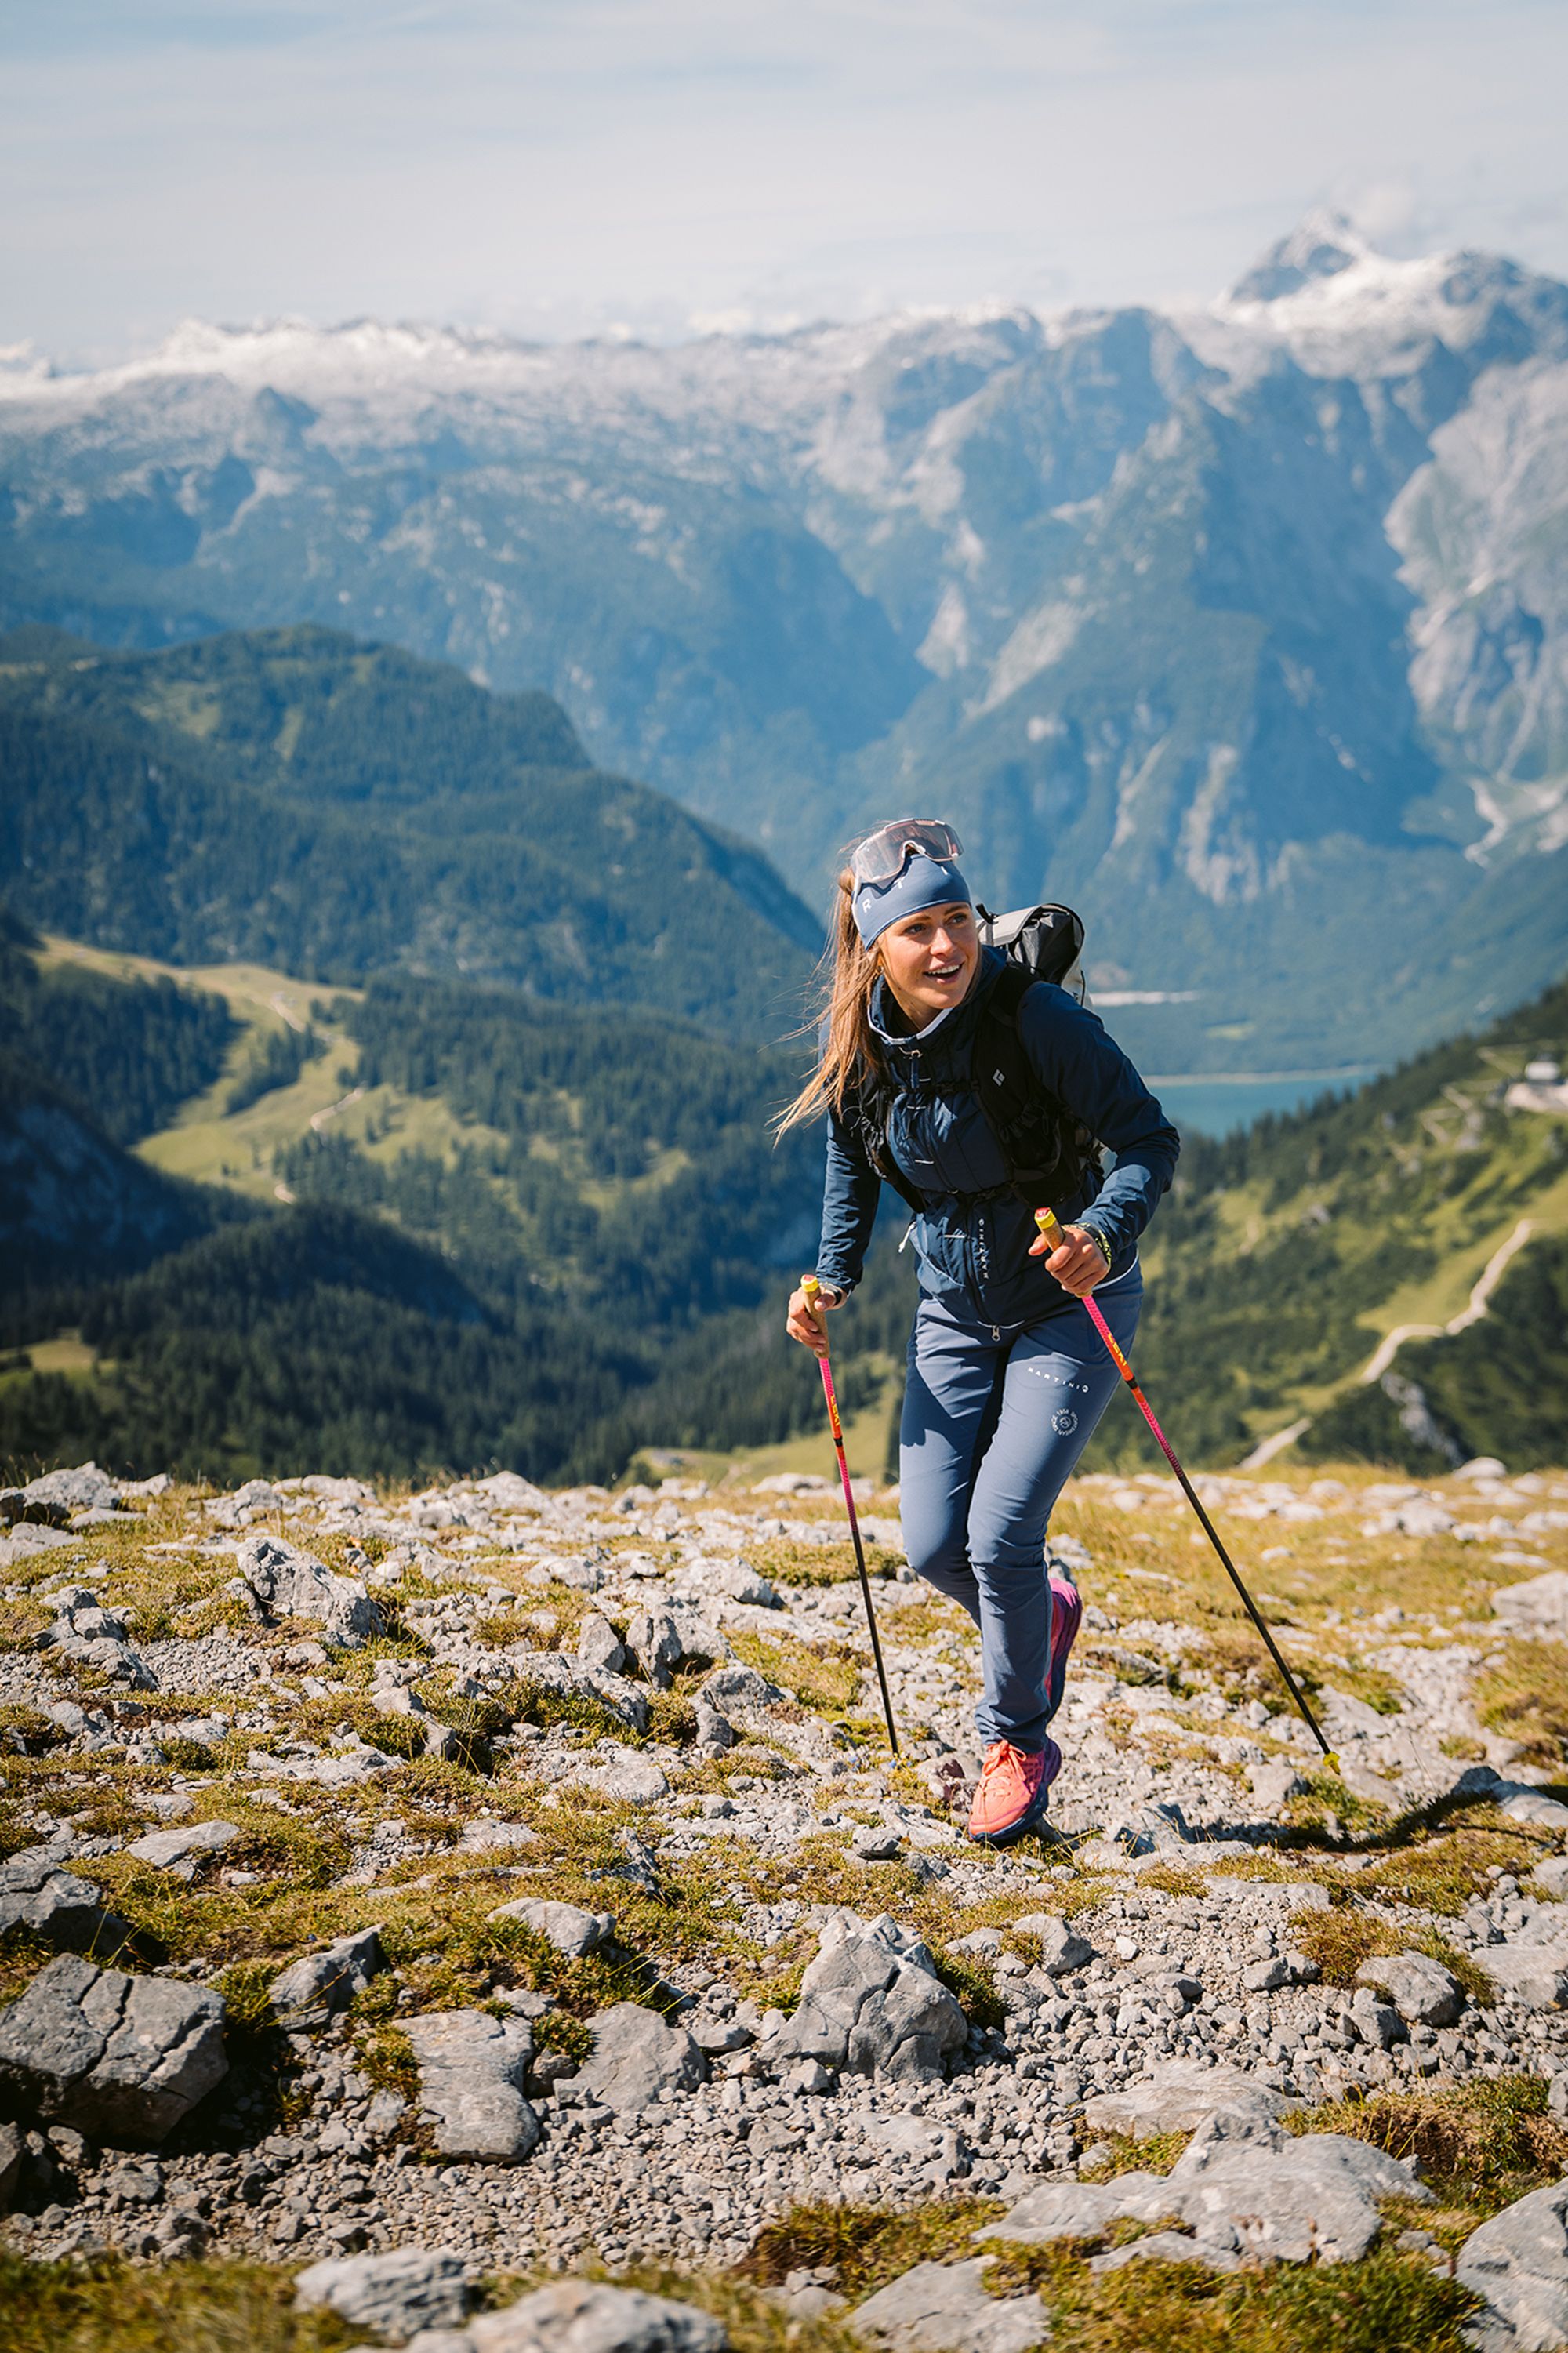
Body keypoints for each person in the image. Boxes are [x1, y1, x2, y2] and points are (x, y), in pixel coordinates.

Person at [779, 818, 1180, 1848]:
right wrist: (829, 1277)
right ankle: (1041, 1619)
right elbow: (851, 1161)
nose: (947, 944)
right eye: (918, 928)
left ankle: (1016, 1739)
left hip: (1070, 1305)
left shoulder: (1034, 1021)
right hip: (952, 1306)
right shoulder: (864, 1048)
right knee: (928, 1544)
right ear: (875, 947)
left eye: (958, 917)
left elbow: (1147, 1136)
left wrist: (1100, 1233)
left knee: (1000, 1531)